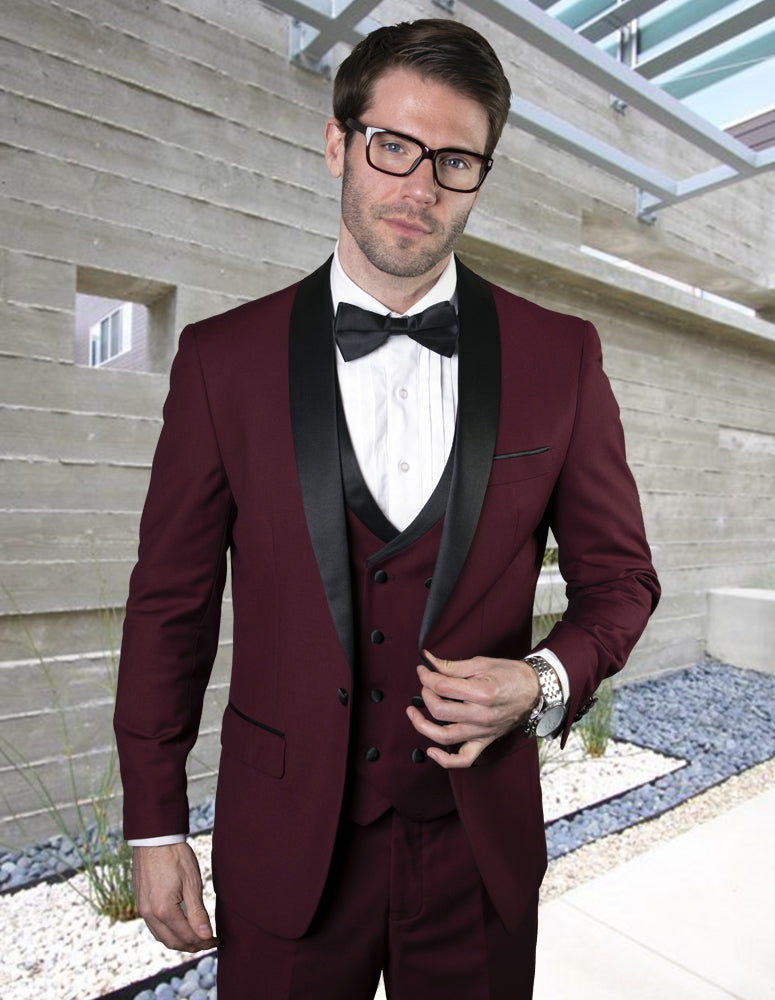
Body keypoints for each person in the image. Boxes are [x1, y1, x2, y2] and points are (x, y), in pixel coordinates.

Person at [114, 18, 660, 999]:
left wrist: (540, 681)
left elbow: (619, 581)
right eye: (392, 146)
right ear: (337, 143)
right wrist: (154, 825)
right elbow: (170, 606)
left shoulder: (559, 357)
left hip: (475, 849)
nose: (418, 185)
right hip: (285, 846)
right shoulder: (220, 361)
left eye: (454, 160)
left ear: (480, 177)